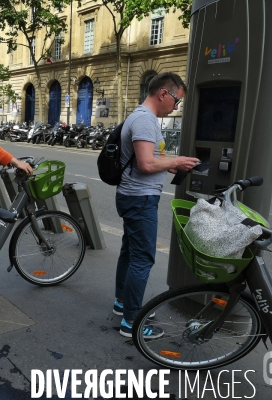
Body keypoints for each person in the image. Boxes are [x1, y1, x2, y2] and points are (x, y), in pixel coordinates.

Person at [112, 72, 199, 339]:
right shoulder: (145, 120)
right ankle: (132, 322)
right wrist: (176, 162)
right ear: (164, 93)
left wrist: (172, 163)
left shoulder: (140, 117)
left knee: (129, 252)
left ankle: (122, 303)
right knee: (142, 258)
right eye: (176, 101)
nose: (176, 107)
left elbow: (149, 159)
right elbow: (146, 163)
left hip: (133, 196)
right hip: (139, 200)